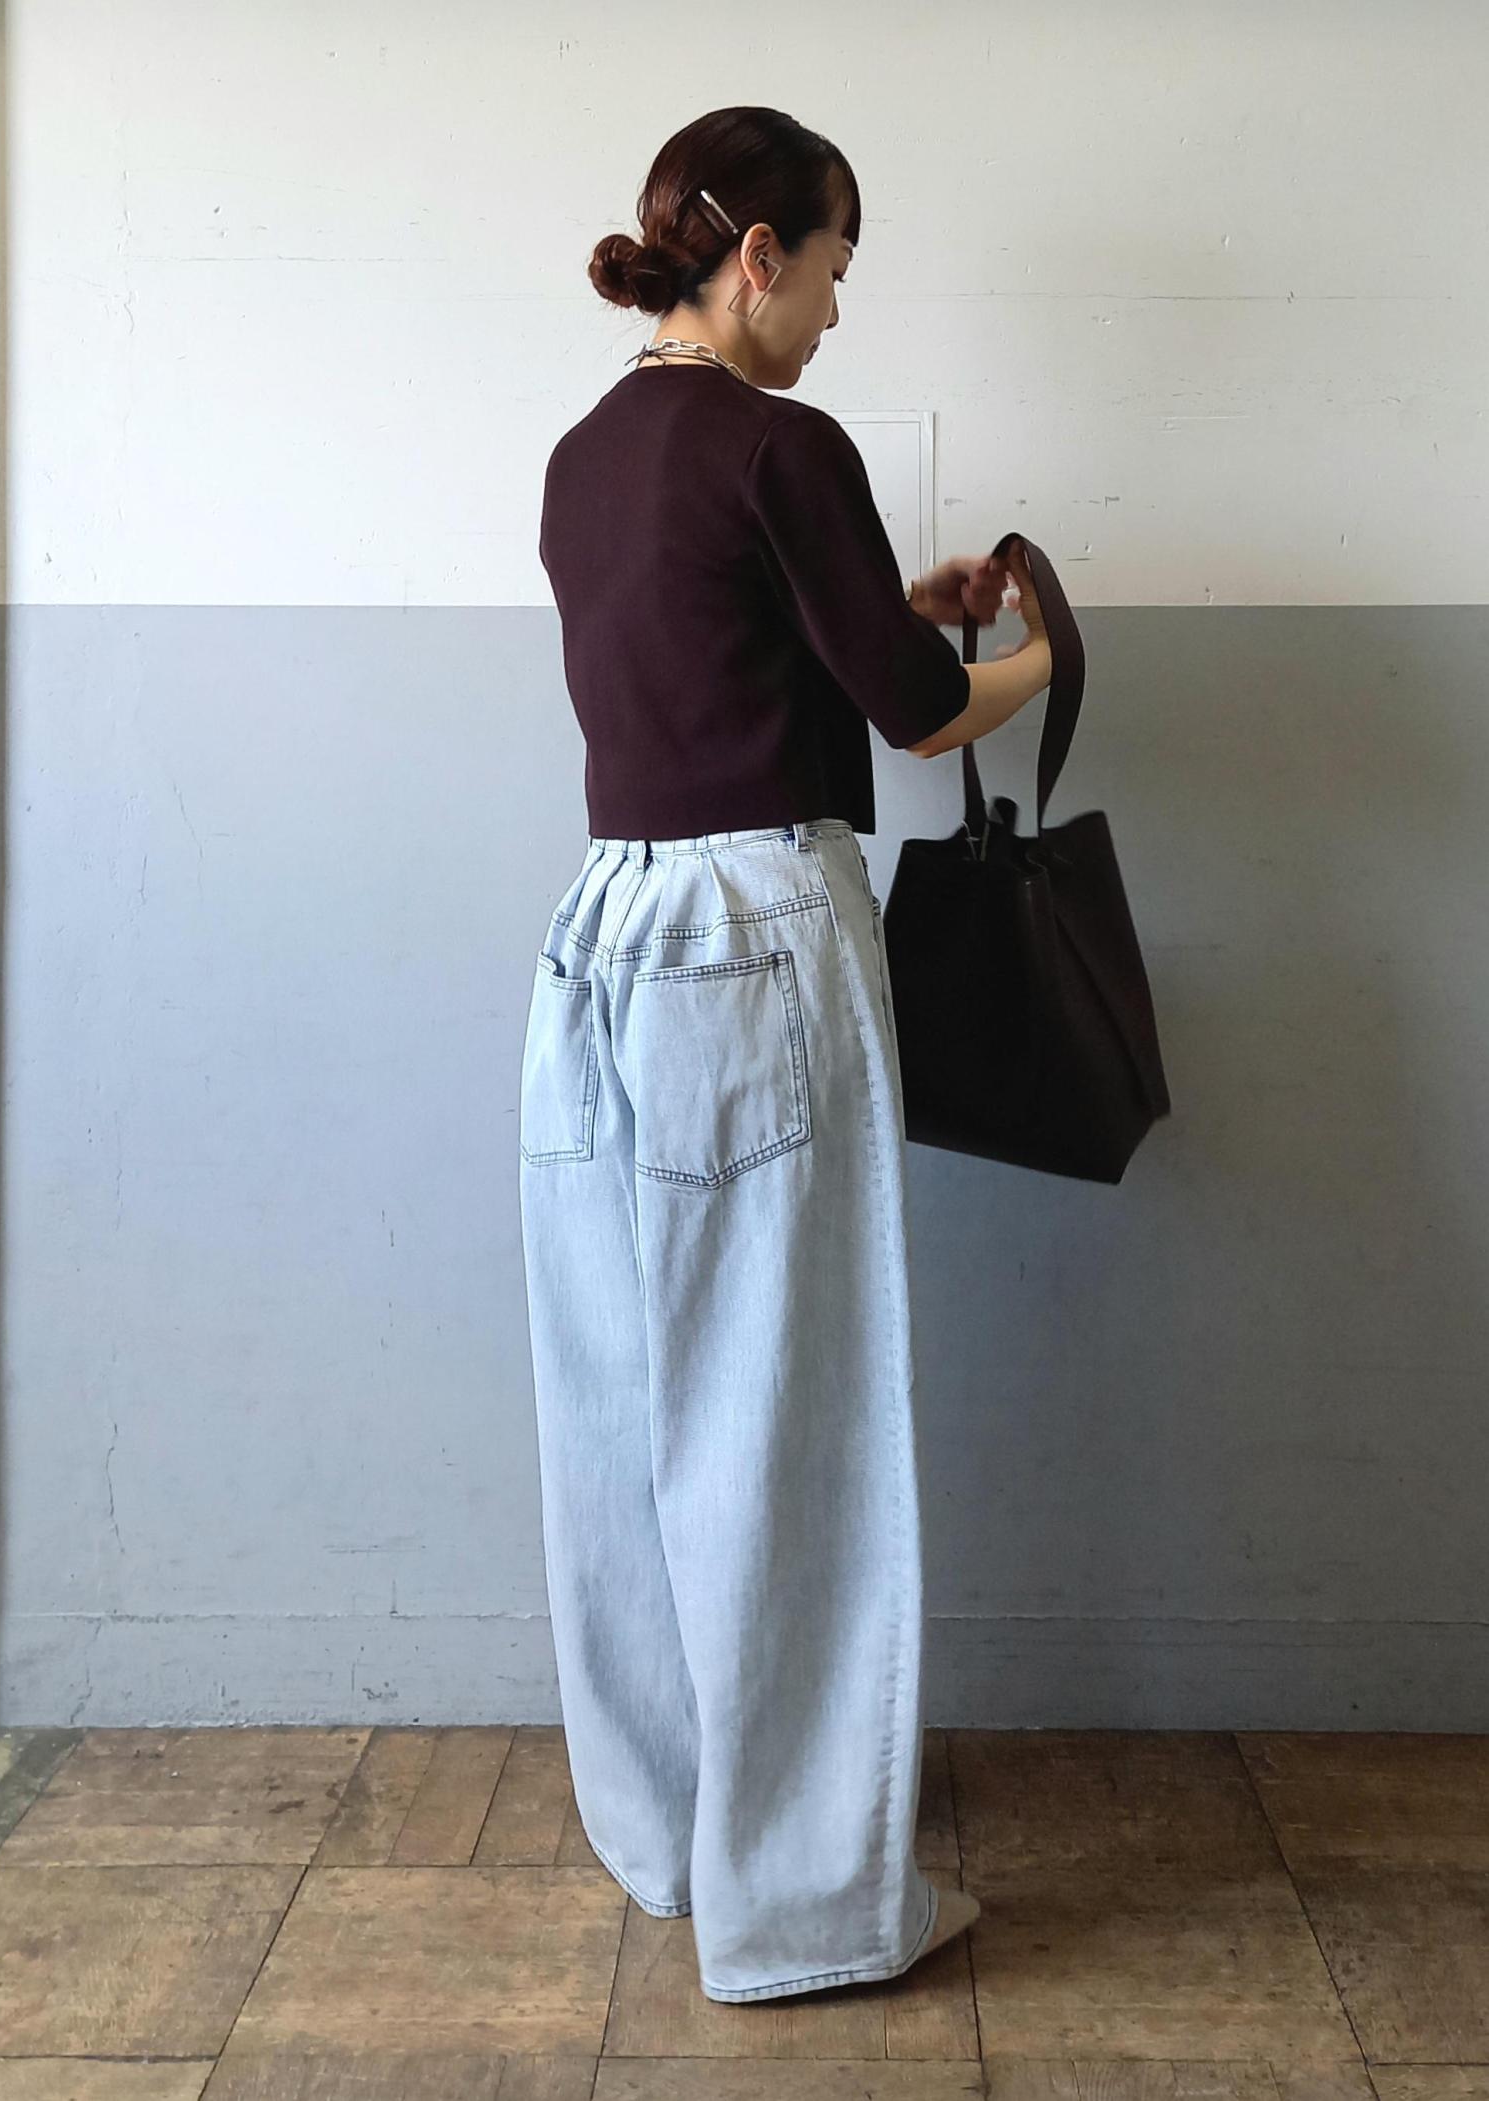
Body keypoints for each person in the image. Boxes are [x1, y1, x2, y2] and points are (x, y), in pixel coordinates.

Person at [520, 105, 1051, 2005]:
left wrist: (891, 619)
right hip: (756, 945)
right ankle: (811, 1903)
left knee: (622, 1408)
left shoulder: (586, 453)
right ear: (758, 257)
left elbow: (725, 651)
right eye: (830, 269)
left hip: (600, 944)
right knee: (787, 1417)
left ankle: (670, 1836)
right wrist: (1044, 661)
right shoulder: (782, 443)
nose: (834, 310)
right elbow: (918, 718)